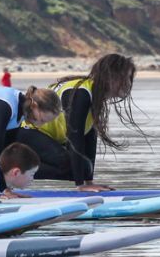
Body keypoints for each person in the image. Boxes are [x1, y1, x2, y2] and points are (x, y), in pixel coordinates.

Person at [19, 52, 145, 187]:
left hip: (46, 137)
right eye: (125, 78)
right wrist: (81, 185)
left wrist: (89, 181)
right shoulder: (81, 93)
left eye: (130, 78)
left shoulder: (95, 97)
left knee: (84, 167)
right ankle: (12, 170)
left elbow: (89, 140)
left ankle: (16, 169)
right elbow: (75, 137)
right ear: (111, 77)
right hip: (27, 132)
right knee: (78, 167)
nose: (128, 83)